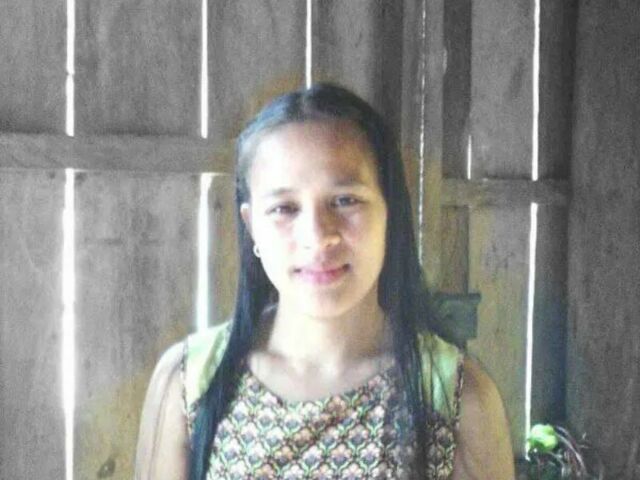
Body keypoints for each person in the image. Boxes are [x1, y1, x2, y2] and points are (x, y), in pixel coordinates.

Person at [134, 83, 515, 479]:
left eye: (345, 200)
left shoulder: (455, 398)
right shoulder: (190, 382)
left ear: (390, 211)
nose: (318, 237)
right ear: (251, 226)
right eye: (284, 208)